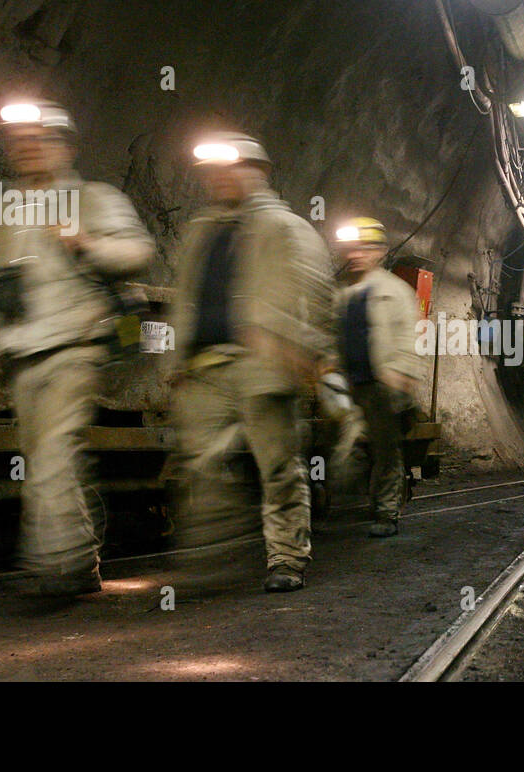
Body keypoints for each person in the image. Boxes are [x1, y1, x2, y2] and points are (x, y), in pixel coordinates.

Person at [0, 100, 155, 596]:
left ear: (65, 147)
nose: (28, 148)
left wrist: (88, 243)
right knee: (46, 459)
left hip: (78, 344)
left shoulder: (94, 198)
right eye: (20, 140)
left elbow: (138, 251)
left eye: (40, 138)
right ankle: (82, 560)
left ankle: (54, 567)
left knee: (52, 454)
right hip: (23, 351)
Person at [167, 132, 335, 592]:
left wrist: (304, 348)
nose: (220, 177)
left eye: (232, 167)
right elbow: (186, 297)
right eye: (213, 170)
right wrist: (178, 358)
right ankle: (212, 554)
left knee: (278, 466)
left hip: (263, 363)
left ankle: (286, 558)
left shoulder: (287, 228)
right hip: (205, 367)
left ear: (257, 172)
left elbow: (319, 298)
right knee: (199, 462)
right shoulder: (200, 230)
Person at [332, 217, 422, 538]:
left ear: (380, 252)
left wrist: (403, 373)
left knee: (385, 451)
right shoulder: (344, 295)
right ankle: (348, 500)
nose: (356, 253)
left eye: (364, 248)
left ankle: (385, 512)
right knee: (349, 448)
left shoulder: (396, 291)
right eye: (352, 247)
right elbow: (335, 340)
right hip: (353, 388)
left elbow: (409, 338)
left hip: (385, 387)